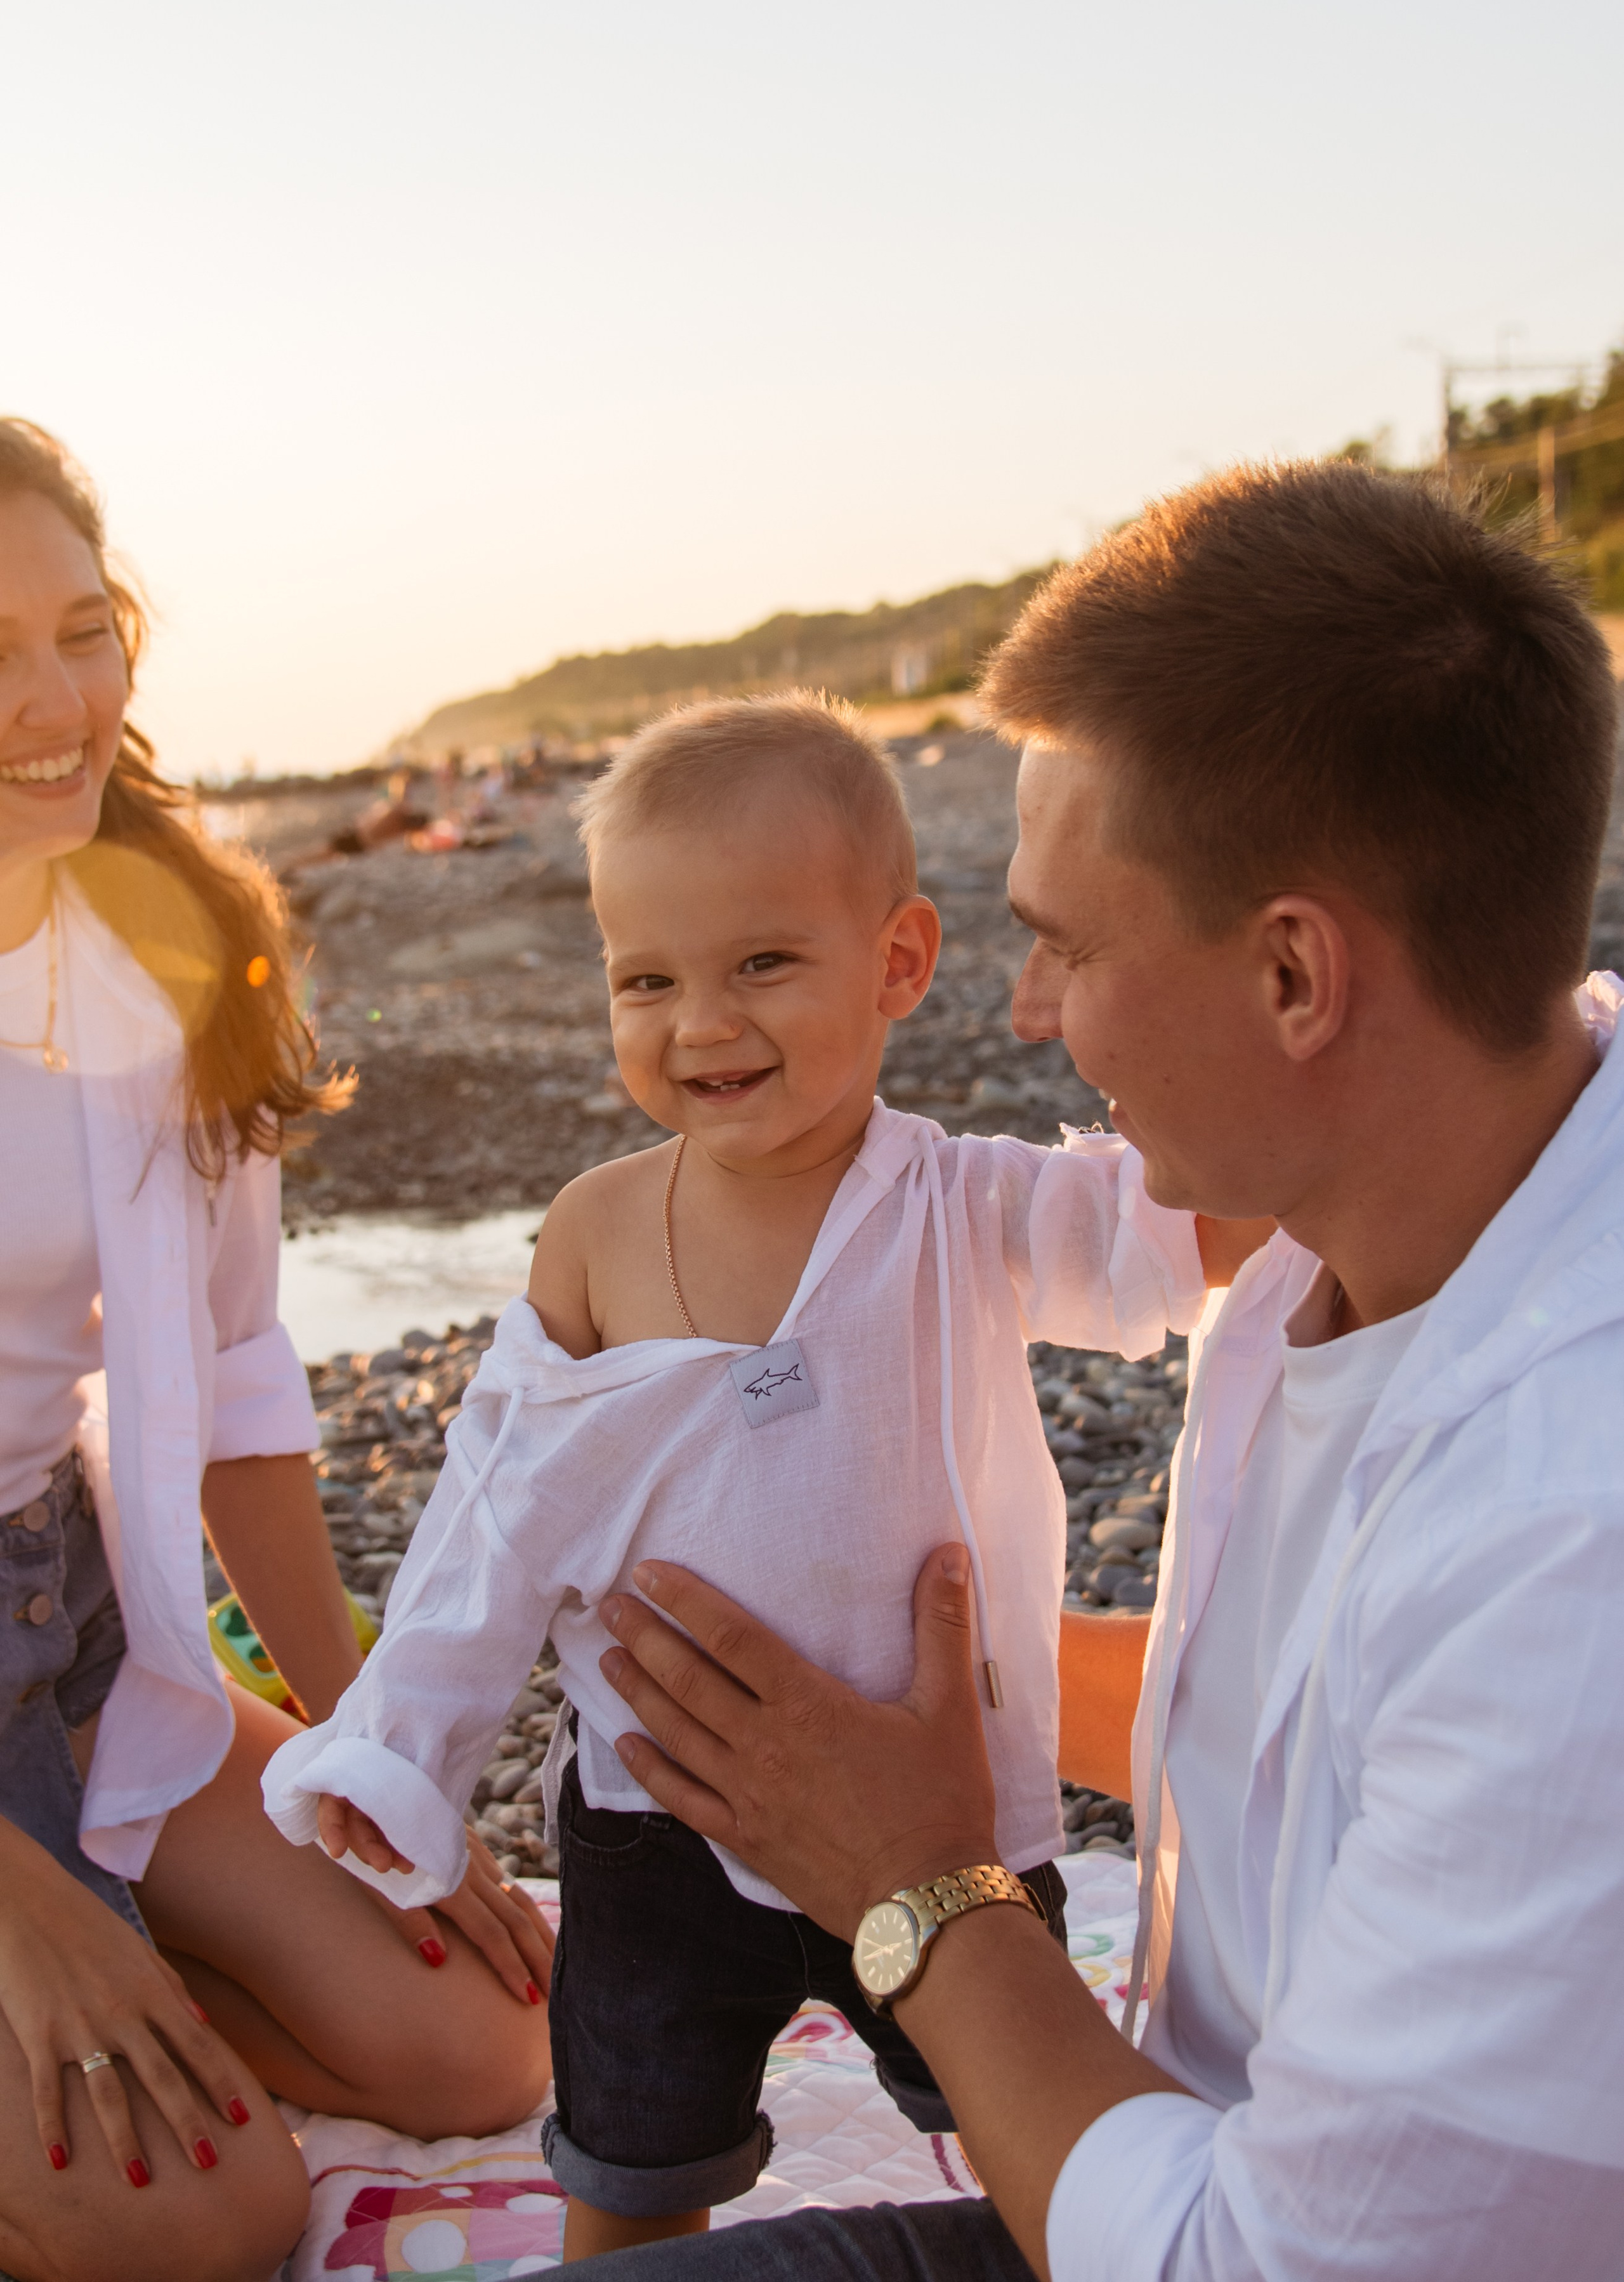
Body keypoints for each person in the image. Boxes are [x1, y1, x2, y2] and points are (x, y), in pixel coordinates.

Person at [571, 464, 1624, 2279]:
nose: (1025, 1012)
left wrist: (919, 1887)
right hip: (1184, 2157)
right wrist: (862, 1695)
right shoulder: (1380, 1187)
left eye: (1064, 941)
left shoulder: (1570, 1535)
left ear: (1296, 974)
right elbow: (1325, 1702)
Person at [261, 692, 1250, 2262]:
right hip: (659, 1819)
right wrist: (401, 1751)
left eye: (762, 965)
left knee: (1022, 2134)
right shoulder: (593, 1227)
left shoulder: (959, 1204)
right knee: (634, 2159)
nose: (700, 1026)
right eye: (645, 980)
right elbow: (495, 1510)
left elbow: (1169, 1240)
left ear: (899, 964)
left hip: (943, 1802)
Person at [0, 421, 553, 2282]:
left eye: (83, 630)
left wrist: (373, 1747)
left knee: (478, 2046)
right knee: (220, 2223)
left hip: (57, 1622)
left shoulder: (161, 953)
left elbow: (236, 1376)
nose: (55, 701)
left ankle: (123, 1981)